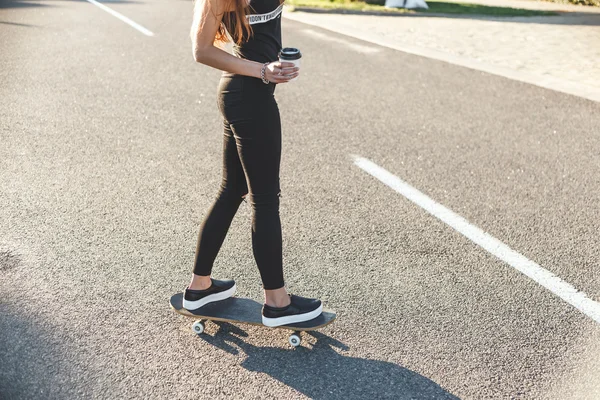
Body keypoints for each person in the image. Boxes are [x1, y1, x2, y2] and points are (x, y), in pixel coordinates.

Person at [183, 0, 322, 327]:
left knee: (233, 190)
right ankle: (277, 302)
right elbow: (201, 51)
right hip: (248, 95)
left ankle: (199, 286)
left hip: (243, 93)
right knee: (264, 199)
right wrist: (263, 70)